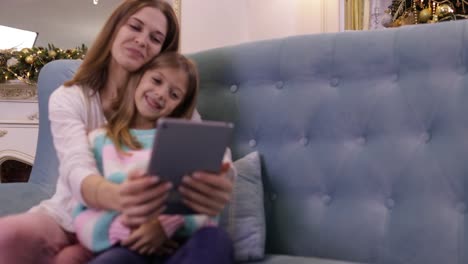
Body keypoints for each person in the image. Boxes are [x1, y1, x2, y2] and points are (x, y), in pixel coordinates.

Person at [0, 1, 234, 263]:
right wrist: (124, 200)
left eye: (155, 38)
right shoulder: (70, 98)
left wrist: (220, 182)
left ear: (161, 52)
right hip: (74, 215)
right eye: (135, 26)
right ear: (114, 28)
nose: (142, 40)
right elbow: (78, 170)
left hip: (139, 228)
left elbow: (209, 153)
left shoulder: (168, 105)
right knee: (7, 236)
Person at [74, 52, 232, 264]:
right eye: (156, 81)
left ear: (180, 105)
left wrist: (166, 225)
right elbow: (82, 213)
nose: (160, 94)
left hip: (182, 243)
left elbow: (207, 210)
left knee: (216, 239)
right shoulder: (99, 140)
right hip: (128, 246)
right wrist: (122, 230)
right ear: (139, 78)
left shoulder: (187, 140)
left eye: (174, 94)